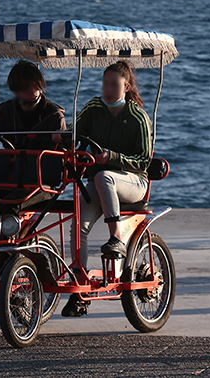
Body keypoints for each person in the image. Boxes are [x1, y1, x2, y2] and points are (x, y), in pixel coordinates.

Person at [62, 60, 152, 317]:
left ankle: (117, 238)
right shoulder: (93, 108)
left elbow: (144, 161)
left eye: (114, 84)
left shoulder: (137, 117)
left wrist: (111, 156)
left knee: (103, 178)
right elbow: (73, 131)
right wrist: (61, 136)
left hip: (134, 182)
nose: (108, 89)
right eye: (105, 83)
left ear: (126, 86)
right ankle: (80, 285)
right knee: (79, 221)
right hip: (103, 181)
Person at [0, 60, 67, 224]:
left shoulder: (54, 115)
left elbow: (61, 159)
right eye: (26, 87)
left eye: (36, 85)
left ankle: (8, 248)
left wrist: (59, 142)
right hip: (10, 177)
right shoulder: (5, 110)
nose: (33, 90)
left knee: (10, 204)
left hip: (41, 183)